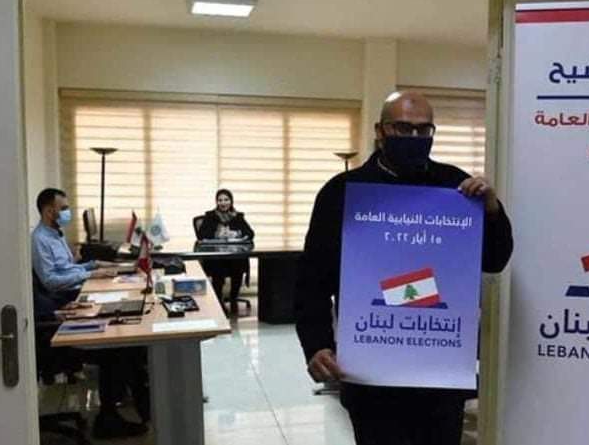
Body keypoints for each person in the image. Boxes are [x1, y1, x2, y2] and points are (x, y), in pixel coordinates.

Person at [295, 91, 513, 445]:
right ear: (380, 131)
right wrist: (317, 345)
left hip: (439, 372)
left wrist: (491, 212)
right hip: (372, 373)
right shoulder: (342, 193)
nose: (414, 137)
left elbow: (495, 260)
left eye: (424, 130)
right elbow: (312, 281)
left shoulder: (456, 189)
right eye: (403, 128)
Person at [32, 188, 150, 439]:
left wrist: (93, 265)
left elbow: (68, 268)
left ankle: (141, 400)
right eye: (63, 208)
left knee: (128, 331)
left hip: (69, 298)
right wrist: (90, 274)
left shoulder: (55, 234)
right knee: (118, 343)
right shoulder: (39, 239)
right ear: (49, 210)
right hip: (60, 306)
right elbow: (51, 281)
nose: (68, 212)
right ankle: (109, 418)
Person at [197, 189, 254, 315]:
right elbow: (201, 235)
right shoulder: (210, 216)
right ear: (216, 202)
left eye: (226, 199)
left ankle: (233, 298)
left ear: (231, 201)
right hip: (216, 256)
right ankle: (219, 301)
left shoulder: (238, 216)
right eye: (220, 200)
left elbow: (250, 233)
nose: (223, 203)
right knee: (218, 267)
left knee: (239, 264)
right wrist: (217, 234)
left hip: (233, 255)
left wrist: (236, 233)